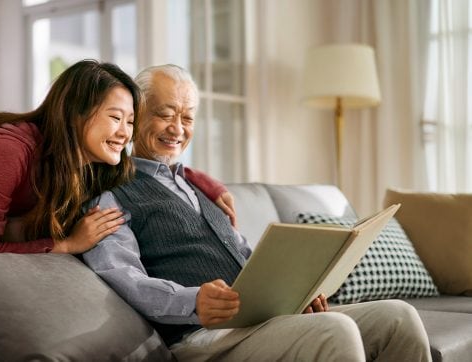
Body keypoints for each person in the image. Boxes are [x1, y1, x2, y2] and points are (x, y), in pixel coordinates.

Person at [82, 64, 432, 361]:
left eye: (187, 117)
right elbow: (122, 275)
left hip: (259, 319)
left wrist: (299, 291)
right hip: (203, 335)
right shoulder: (112, 191)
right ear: (135, 115)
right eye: (165, 114)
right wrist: (191, 301)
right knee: (333, 329)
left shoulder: (197, 186)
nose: (178, 129)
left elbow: (245, 256)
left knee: (399, 316)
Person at [0, 60, 227, 254]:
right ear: (74, 114)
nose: (125, 132)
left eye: (130, 121)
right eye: (115, 117)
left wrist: (207, 186)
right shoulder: (9, 153)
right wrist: (65, 245)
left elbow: (146, 166)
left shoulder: (87, 167)